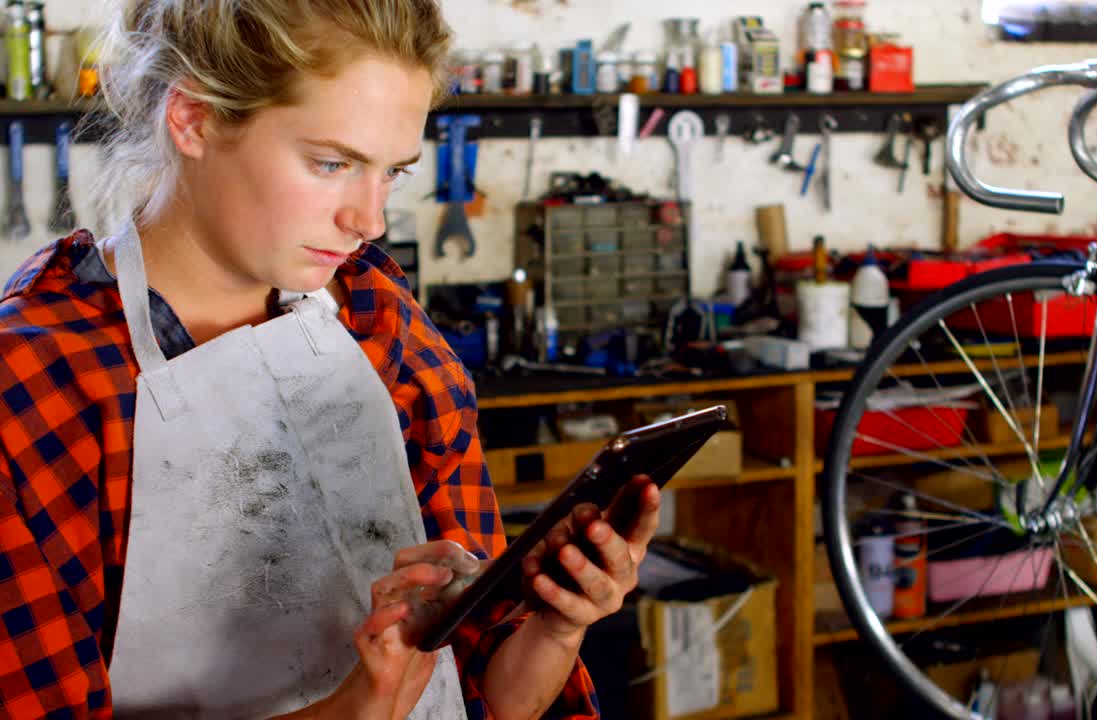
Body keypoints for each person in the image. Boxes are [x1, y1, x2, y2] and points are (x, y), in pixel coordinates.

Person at [0, 1, 662, 718]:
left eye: (393, 173)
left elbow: (499, 697)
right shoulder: (40, 385)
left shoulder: (378, 320)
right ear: (192, 119)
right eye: (332, 163)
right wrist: (355, 706)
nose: (369, 220)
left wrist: (557, 622)